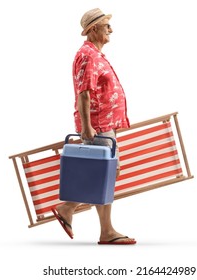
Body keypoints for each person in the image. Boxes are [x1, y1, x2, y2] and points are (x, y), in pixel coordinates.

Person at [52, 8, 136, 245]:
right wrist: (88, 126)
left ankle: (91, 222)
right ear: (93, 29)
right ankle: (75, 212)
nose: (111, 29)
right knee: (105, 174)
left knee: (106, 174)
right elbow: (85, 93)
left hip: (103, 123)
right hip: (98, 125)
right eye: (106, 25)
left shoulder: (94, 54)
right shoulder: (89, 55)